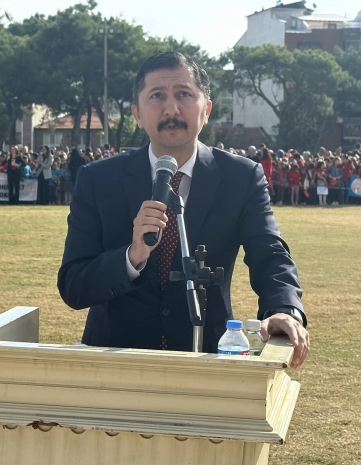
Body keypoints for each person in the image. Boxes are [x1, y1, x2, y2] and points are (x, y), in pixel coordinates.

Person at [57, 52, 309, 368]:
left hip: (207, 361)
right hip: (116, 364)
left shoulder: (241, 178)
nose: (172, 109)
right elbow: (73, 285)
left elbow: (270, 254)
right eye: (157, 96)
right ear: (137, 114)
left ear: (207, 110)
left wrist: (283, 309)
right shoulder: (98, 180)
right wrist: (131, 257)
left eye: (184, 94)